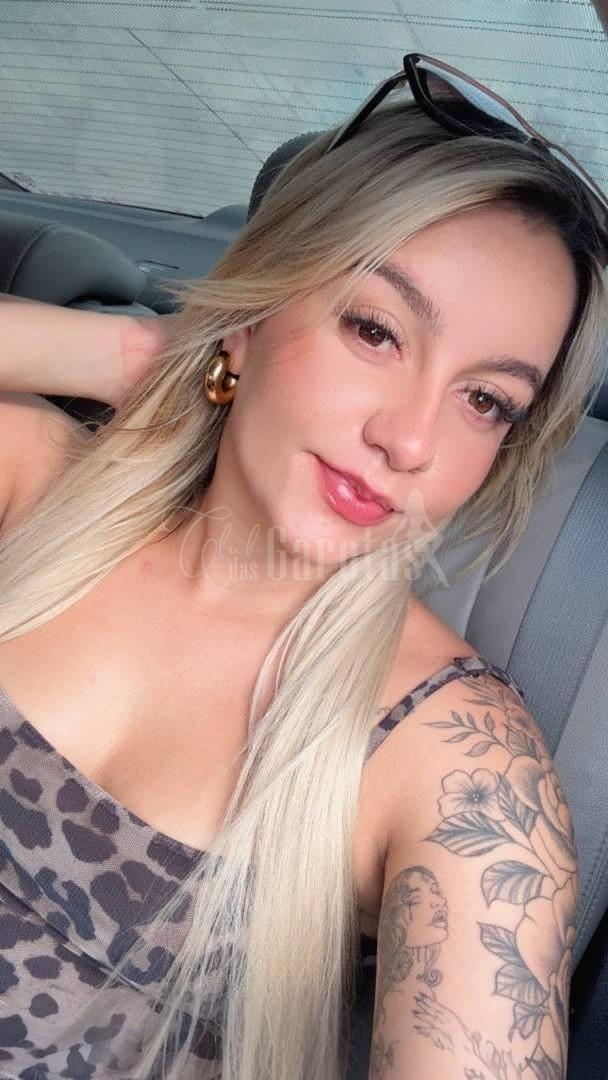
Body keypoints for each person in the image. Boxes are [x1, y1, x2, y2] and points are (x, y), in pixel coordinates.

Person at [0, 53, 606, 1080]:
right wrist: (140, 355)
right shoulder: (30, 484)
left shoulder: (457, 762)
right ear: (256, 309)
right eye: (375, 330)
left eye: (485, 401)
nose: (410, 440)